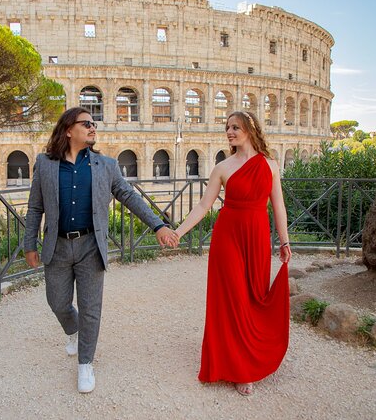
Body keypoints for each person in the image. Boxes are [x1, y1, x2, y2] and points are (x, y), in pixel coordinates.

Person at [23, 107, 177, 394]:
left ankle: (85, 364)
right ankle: (73, 331)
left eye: (94, 124)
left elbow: (130, 197)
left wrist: (158, 225)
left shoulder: (106, 165)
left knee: (91, 309)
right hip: (55, 246)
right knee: (57, 302)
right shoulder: (44, 164)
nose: (93, 128)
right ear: (69, 130)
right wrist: (29, 243)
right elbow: (35, 207)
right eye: (86, 124)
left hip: (91, 245)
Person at [168, 110, 291, 396]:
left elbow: (279, 207)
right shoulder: (223, 167)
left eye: (235, 127)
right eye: (227, 128)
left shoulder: (270, 165)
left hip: (257, 237)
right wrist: (179, 231)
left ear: (249, 129)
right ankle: (239, 369)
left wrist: (284, 242)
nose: (230, 132)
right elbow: (203, 207)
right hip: (228, 239)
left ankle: (250, 357)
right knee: (233, 299)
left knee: (254, 296)